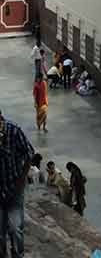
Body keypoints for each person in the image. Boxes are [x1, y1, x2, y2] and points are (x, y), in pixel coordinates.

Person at [0, 108, 35, 257]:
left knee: (15, 228)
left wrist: (21, 180)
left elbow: (29, 153)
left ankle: (17, 254)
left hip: (14, 188)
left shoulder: (13, 131)